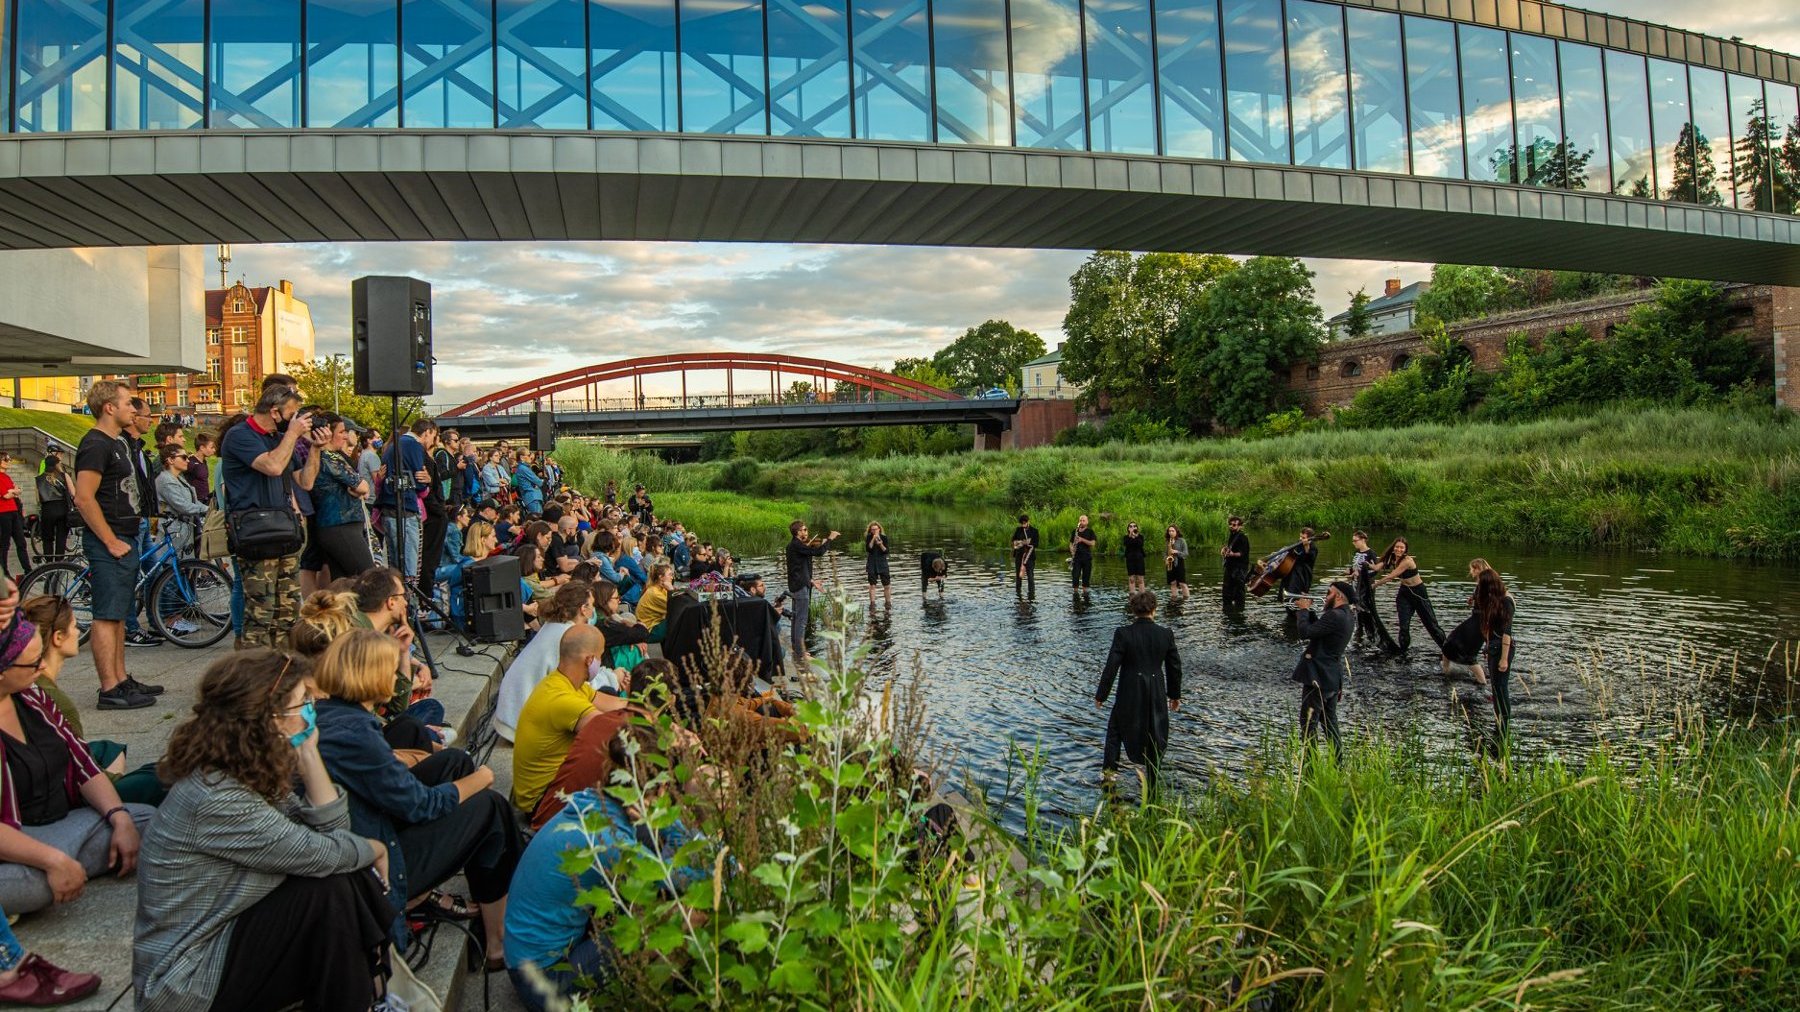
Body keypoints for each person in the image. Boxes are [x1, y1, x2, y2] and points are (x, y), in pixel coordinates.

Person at [132, 649, 396, 1012]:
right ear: (269, 718)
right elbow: (324, 851)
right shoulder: (216, 797)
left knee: (336, 882)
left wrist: (308, 754)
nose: (312, 710)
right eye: (303, 702)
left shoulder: (243, 770)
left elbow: (333, 833)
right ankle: (370, 990)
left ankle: (369, 992)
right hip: (187, 981)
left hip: (226, 939)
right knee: (330, 887)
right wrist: (376, 848)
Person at [313, 630, 521, 958]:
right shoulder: (353, 733)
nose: (400, 674)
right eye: (394, 667)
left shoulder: (336, 714)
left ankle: (486, 885)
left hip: (372, 832)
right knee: (491, 807)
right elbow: (421, 806)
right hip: (375, 865)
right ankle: (497, 944)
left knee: (452, 761)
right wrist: (480, 778)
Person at [504, 723, 710, 1012]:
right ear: (660, 787)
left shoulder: (596, 801)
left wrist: (660, 816)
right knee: (688, 915)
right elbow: (698, 878)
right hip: (544, 981)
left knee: (646, 841)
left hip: (525, 957)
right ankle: (653, 998)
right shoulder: (610, 841)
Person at [0, 614, 155, 917]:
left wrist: (119, 818)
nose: (42, 667)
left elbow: (82, 761)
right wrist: (51, 860)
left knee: (145, 820)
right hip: (14, 841)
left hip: (61, 825)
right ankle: (59, 868)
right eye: (33, 662)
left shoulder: (33, 697)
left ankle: (66, 866)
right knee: (35, 886)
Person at [71, 380, 160, 710]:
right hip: (110, 540)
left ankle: (121, 679)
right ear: (109, 407)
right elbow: (83, 497)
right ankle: (109, 689)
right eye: (127, 403)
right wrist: (109, 540)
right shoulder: (96, 444)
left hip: (125, 535)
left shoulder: (118, 442)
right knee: (107, 615)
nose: (133, 409)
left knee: (119, 613)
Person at [220, 386, 325, 650]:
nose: (297, 420)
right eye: (292, 413)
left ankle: (283, 672)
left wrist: (315, 449)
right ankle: (254, 678)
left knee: (288, 611)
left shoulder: (279, 438)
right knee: (261, 612)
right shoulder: (239, 435)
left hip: (284, 532)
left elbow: (306, 481)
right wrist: (291, 435)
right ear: (275, 411)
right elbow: (273, 466)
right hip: (255, 533)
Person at [510, 625, 629, 814]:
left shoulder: (565, 682)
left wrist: (647, 706)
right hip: (542, 802)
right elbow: (609, 730)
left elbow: (614, 703)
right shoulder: (562, 700)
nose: (600, 662)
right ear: (590, 660)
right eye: (600, 656)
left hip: (548, 787)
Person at [493, 582, 607, 742]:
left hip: (511, 717)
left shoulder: (554, 626)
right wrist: (612, 677)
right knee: (606, 695)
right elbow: (580, 685)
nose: (593, 610)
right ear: (583, 608)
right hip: (520, 725)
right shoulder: (568, 636)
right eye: (592, 605)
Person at [1094, 589, 1183, 792]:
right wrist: (1175, 695)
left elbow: (1111, 666)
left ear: (1133, 610)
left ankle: (1110, 775)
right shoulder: (1165, 634)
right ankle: (1152, 779)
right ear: (1155, 609)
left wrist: (1101, 695)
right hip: (1156, 692)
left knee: (1115, 732)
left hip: (1129, 690)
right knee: (1155, 731)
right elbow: (1174, 667)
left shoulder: (1123, 633)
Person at [1291, 581, 1355, 759]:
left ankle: (1310, 766)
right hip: (1332, 677)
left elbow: (1305, 632)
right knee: (1330, 724)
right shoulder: (1347, 615)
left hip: (1317, 675)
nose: (1326, 597)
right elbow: (1318, 630)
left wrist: (1303, 610)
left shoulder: (1334, 615)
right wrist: (1310, 611)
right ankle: (1338, 763)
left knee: (1308, 724)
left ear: (1339, 596)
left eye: (1329, 593)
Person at [309, 414, 377, 578]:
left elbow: (362, 488)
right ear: (327, 433)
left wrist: (360, 488)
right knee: (369, 579)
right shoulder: (329, 458)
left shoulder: (333, 457)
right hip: (341, 525)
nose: (346, 436)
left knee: (343, 584)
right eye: (342, 432)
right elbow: (362, 485)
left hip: (337, 525)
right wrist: (360, 488)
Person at [375, 422, 430, 583]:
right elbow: (420, 485)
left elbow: (380, 485)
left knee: (396, 566)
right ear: (427, 432)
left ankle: (399, 596)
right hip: (406, 511)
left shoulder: (388, 450)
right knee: (410, 569)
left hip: (389, 511)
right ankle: (409, 602)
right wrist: (427, 481)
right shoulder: (413, 446)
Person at [1373, 537, 1446, 652]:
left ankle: (1446, 649)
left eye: (1402, 547)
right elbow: (1377, 567)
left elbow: (1391, 576)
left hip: (1418, 593)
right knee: (1403, 626)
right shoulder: (1391, 558)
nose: (1399, 549)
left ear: (1405, 549)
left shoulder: (1407, 561)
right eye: (1397, 547)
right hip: (1404, 593)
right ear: (1393, 548)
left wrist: (1374, 586)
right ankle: (1403, 651)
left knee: (1431, 625)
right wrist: (1365, 567)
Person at [783, 521, 838, 667]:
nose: (806, 532)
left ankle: (797, 649)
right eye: (804, 530)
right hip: (800, 587)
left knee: (796, 618)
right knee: (801, 620)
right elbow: (818, 552)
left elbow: (799, 568)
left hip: (799, 585)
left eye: (806, 530)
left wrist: (812, 581)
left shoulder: (795, 546)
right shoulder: (796, 545)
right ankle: (801, 653)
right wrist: (830, 539)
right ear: (797, 532)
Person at [1472, 566, 1517, 737]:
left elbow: (1507, 632)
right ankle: (1499, 720)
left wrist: (1504, 659)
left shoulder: (1506, 601)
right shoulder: (1494, 600)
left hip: (1503, 648)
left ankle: (1504, 724)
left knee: (1501, 687)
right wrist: (1487, 646)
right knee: (1495, 688)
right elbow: (1490, 628)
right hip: (1493, 647)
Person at [1346, 531, 1399, 653]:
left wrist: (1364, 574)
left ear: (1363, 540)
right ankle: (1358, 634)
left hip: (1366, 586)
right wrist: (1350, 572)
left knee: (1365, 608)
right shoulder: (1356, 553)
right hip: (1356, 585)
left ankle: (1368, 633)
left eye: (1355, 540)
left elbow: (1375, 570)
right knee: (1356, 609)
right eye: (1353, 540)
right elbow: (1355, 568)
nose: (1354, 543)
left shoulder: (1371, 553)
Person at [153, 446, 207, 556]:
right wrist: (206, 510)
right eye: (183, 457)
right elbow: (182, 505)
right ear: (170, 460)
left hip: (183, 532)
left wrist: (208, 508)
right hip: (173, 533)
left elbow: (193, 501)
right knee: (171, 568)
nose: (188, 460)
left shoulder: (179, 478)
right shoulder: (165, 480)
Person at [32, 452, 71, 559]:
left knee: (47, 538)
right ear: (57, 464)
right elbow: (73, 492)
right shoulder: (63, 476)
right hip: (62, 508)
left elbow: (37, 497)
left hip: (47, 509)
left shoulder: (38, 479)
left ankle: (49, 562)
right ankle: (59, 561)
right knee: (61, 537)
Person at [0, 455, 30, 578]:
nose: (9, 462)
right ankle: (4, 572)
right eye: (6, 459)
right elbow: (6, 495)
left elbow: (14, 492)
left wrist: (13, 491)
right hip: (3, 512)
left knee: (21, 542)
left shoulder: (6, 477)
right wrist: (13, 491)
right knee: (4, 544)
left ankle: (28, 569)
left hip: (13, 511)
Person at [635, 563, 676, 641]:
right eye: (670, 575)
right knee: (677, 621)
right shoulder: (654, 593)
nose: (672, 577)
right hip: (649, 630)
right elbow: (675, 606)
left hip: (652, 624)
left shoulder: (659, 588)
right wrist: (671, 589)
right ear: (661, 577)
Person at [1220, 516, 1250, 610]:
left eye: (1234, 525)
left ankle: (1239, 613)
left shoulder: (1243, 538)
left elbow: (1242, 553)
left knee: (1239, 593)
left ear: (1240, 526)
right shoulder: (1232, 536)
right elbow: (1231, 549)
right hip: (1230, 567)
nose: (1231, 526)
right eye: (1230, 524)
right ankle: (1227, 611)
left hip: (1239, 569)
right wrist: (1225, 550)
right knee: (1226, 592)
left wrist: (1232, 554)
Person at [1283, 527, 1321, 599]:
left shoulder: (1313, 548)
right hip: (1293, 573)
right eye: (1300, 536)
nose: (1300, 539)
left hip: (1303, 575)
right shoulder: (1298, 544)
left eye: (1303, 537)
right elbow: (1290, 552)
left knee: (1297, 596)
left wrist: (1306, 547)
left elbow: (1309, 559)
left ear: (1309, 538)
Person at [1010, 514, 1039, 594]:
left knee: (1030, 576)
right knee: (1018, 576)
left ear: (1028, 521)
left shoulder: (1034, 531)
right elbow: (1013, 541)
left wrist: (1028, 543)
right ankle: (1018, 594)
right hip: (1019, 555)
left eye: (1024, 523)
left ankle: (1031, 595)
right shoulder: (1018, 530)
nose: (1023, 525)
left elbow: (1036, 544)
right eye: (1022, 523)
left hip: (1029, 556)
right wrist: (1020, 543)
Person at [864, 522, 892, 606]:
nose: (874, 530)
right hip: (872, 563)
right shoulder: (869, 537)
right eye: (872, 529)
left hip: (882, 563)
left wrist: (881, 544)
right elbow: (868, 549)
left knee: (886, 585)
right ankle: (872, 604)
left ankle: (888, 603)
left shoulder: (884, 537)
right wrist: (873, 539)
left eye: (875, 529)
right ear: (870, 530)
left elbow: (886, 551)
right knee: (872, 585)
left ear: (879, 529)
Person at [184, 431, 215, 505]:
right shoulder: (191, 463)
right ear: (202, 448)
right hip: (196, 502)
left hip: (205, 500)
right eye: (212, 447)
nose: (214, 450)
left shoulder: (204, 461)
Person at [1069, 515, 1097, 592]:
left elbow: (1093, 543)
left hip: (1086, 558)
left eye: (1083, 520)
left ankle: (1085, 595)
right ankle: (1075, 595)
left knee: (1086, 578)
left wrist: (1082, 540)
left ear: (1087, 522)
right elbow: (1071, 543)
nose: (1081, 522)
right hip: (1076, 558)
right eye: (1080, 520)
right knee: (1075, 577)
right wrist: (1072, 550)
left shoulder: (1090, 531)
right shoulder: (1075, 531)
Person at [513, 451, 545, 517]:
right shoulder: (523, 468)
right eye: (528, 455)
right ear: (522, 457)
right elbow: (539, 482)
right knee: (537, 520)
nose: (530, 457)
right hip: (532, 497)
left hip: (532, 497)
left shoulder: (524, 467)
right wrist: (536, 483)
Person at [1121, 522, 1147, 594]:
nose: (1133, 527)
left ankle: (1142, 595)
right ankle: (1132, 595)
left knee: (1140, 579)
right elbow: (1126, 544)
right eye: (1131, 526)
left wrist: (1136, 536)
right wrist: (1130, 535)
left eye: (1134, 526)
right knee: (1131, 579)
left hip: (1139, 559)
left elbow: (1140, 544)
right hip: (1130, 559)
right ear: (1128, 528)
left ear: (1137, 528)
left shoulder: (1140, 536)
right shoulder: (1126, 537)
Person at [1164, 525, 1189, 598]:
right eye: (1169, 531)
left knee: (1182, 583)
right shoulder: (1167, 541)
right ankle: (1174, 600)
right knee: (1173, 583)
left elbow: (1186, 554)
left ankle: (1186, 599)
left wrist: (1176, 552)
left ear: (1176, 532)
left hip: (1179, 563)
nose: (1171, 532)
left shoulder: (1182, 541)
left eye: (1172, 531)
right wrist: (1166, 559)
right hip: (1170, 563)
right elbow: (1165, 553)